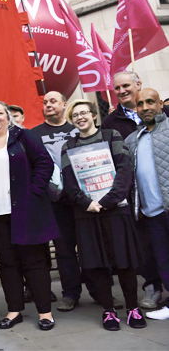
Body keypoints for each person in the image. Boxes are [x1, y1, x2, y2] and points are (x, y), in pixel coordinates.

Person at [0, 101, 58, 331]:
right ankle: (14, 311)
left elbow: (44, 163)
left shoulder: (23, 137)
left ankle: (45, 312)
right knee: (7, 265)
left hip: (25, 212)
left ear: (8, 118)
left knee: (35, 263)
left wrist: (34, 192)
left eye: (0, 112)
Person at [61, 99, 144, 331]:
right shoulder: (68, 146)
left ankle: (132, 308)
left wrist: (107, 201)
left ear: (94, 115)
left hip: (116, 210)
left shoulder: (112, 136)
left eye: (84, 113)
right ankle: (108, 311)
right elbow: (69, 181)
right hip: (87, 213)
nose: (80, 117)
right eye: (75, 115)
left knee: (125, 262)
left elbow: (124, 170)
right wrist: (87, 202)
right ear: (72, 120)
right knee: (96, 265)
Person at [31, 91, 106, 312]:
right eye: (45, 103)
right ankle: (70, 293)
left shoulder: (78, 129)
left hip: (83, 199)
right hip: (55, 203)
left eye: (53, 101)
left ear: (65, 105)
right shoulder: (34, 135)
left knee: (90, 247)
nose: (48, 105)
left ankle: (100, 291)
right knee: (64, 250)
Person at [102, 71, 166, 309]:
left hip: (165, 197)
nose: (122, 91)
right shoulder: (110, 123)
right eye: (117, 88)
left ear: (139, 84)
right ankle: (153, 288)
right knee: (147, 249)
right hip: (137, 199)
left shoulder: (165, 117)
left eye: (126, 86)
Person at [124, 89, 169, 321]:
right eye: (140, 104)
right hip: (150, 212)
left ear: (160, 104)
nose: (145, 107)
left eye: (150, 102)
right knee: (163, 260)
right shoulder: (133, 138)